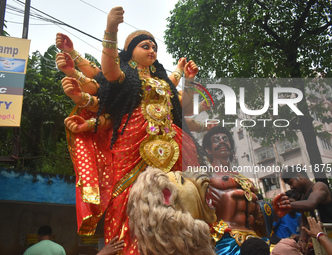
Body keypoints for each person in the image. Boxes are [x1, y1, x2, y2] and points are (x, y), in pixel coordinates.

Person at [55, 6, 209, 254]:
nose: (152, 50)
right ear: (130, 52)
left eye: (154, 47)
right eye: (145, 46)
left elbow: (185, 107)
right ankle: (127, 248)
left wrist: (188, 79)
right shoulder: (124, 77)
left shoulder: (163, 82)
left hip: (172, 144)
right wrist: (111, 29)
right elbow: (107, 72)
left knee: (178, 196)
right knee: (126, 196)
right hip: (131, 144)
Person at [202, 126, 290, 254]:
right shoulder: (205, 178)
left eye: (225, 139)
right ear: (208, 150)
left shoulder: (245, 180)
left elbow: (257, 220)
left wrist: (273, 213)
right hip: (225, 243)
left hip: (255, 242)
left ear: (232, 149)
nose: (222, 141)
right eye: (216, 139)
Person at [282, 167, 332, 253]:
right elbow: (304, 221)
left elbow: (311, 203)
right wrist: (302, 239)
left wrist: (284, 206)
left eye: (291, 183)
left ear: (299, 176)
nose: (291, 187)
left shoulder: (319, 186)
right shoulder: (302, 196)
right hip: (319, 238)